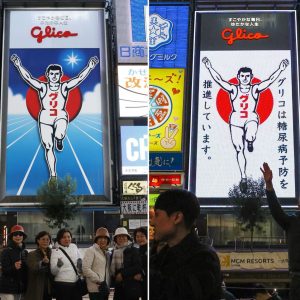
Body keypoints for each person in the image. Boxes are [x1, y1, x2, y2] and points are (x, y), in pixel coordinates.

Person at [202, 57, 289, 193]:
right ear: (238, 77)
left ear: (251, 77)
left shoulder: (255, 89)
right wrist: (209, 67)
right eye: (242, 76)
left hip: (251, 118)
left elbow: (269, 80)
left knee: (250, 135)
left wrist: (280, 69)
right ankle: (243, 177)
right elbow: (219, 80)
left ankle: (250, 141)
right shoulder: (233, 89)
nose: (244, 78)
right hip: (236, 120)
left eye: (247, 76)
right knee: (238, 148)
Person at [10, 54, 99, 183]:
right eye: (52, 74)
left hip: (60, 116)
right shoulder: (42, 87)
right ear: (47, 75)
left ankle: (59, 139)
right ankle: (53, 174)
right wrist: (18, 65)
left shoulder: (64, 87)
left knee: (60, 133)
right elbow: (28, 78)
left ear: (60, 75)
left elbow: (79, 78)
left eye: (57, 74)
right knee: (48, 146)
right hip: (45, 118)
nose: (54, 76)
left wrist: (89, 67)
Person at [150, 189, 222, 300]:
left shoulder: (203, 259)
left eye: (157, 214)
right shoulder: (163, 254)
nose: (152, 222)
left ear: (177, 217)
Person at [261, 163, 300, 300]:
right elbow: (276, 210)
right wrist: (269, 185)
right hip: (297, 279)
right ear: (298, 204)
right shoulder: (292, 222)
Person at [110, 227, 143, 300]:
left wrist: (122, 274)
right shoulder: (113, 251)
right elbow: (112, 270)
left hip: (131, 287)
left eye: (123, 236)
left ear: (127, 237)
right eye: (119, 236)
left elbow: (138, 266)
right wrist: (115, 277)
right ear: (116, 239)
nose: (121, 238)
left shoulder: (134, 250)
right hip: (119, 287)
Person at [50, 228, 82, 300]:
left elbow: (80, 260)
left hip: (75, 283)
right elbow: (53, 272)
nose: (67, 239)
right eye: (64, 237)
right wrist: (58, 266)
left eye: (68, 236)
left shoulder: (74, 246)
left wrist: (80, 264)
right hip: (62, 285)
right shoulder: (55, 251)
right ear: (59, 239)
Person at [0, 225, 28, 300]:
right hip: (7, 289)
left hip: (20, 289)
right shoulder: (6, 251)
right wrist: (14, 267)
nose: (18, 236)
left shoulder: (25, 252)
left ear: (23, 237)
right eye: (15, 234)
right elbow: (4, 270)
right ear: (12, 236)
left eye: (20, 234)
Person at [83, 227, 111, 300]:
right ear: (96, 240)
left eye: (105, 238)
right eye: (100, 238)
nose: (103, 240)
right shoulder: (91, 250)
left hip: (104, 288)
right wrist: (98, 279)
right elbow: (85, 268)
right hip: (95, 288)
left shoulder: (106, 252)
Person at [24, 231, 52, 300]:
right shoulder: (31, 254)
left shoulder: (53, 253)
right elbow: (33, 268)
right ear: (38, 240)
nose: (45, 241)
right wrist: (42, 263)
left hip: (49, 289)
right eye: (43, 239)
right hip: (36, 288)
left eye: (47, 239)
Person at [133, 227, 147, 300]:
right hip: (139, 283)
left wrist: (142, 274)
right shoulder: (137, 250)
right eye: (137, 236)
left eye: (142, 236)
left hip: (148, 282)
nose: (139, 238)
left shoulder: (150, 248)